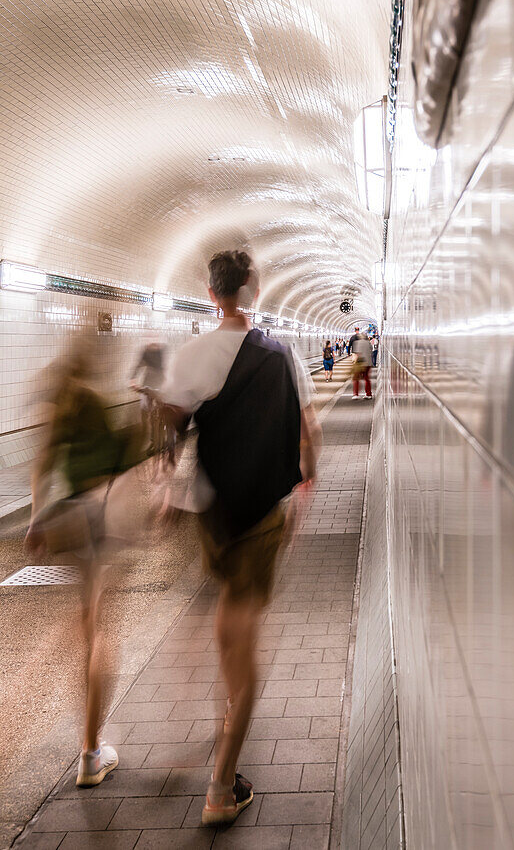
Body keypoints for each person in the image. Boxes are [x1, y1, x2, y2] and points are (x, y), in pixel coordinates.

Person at [158, 249, 321, 827]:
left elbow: (171, 427)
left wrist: (164, 493)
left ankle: (221, 714)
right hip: (260, 514)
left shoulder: (194, 353)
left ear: (210, 293)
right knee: (246, 640)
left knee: (229, 616)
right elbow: (309, 432)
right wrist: (306, 482)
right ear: (252, 289)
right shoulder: (281, 353)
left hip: (212, 513)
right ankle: (223, 786)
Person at [25, 337, 143, 787]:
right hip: (100, 514)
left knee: (85, 622)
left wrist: (36, 521)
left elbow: (42, 465)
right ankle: (91, 754)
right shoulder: (95, 399)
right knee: (102, 632)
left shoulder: (57, 406)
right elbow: (125, 460)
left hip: (69, 516)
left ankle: (89, 743)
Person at [351, 330, 372, 400]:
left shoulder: (356, 343)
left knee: (356, 379)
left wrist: (354, 362)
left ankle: (356, 394)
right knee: (367, 378)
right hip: (368, 363)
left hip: (360, 363)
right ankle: (368, 394)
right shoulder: (368, 343)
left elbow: (356, 354)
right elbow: (371, 351)